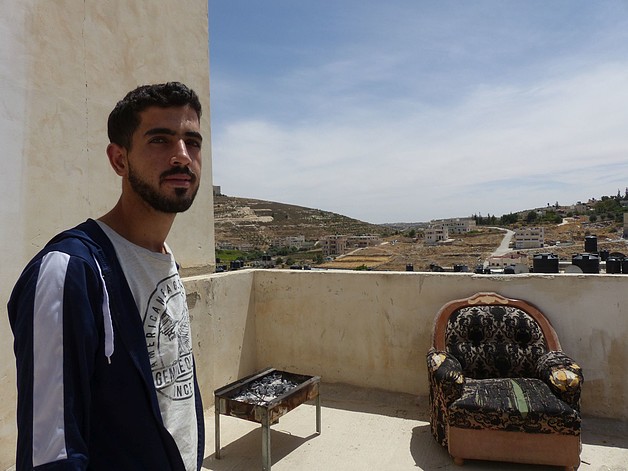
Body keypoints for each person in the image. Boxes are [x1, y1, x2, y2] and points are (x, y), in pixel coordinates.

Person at [8, 82, 206, 470]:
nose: (182, 156)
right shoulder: (70, 272)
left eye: (192, 141)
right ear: (119, 160)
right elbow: (52, 454)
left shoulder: (165, 259)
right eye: (160, 140)